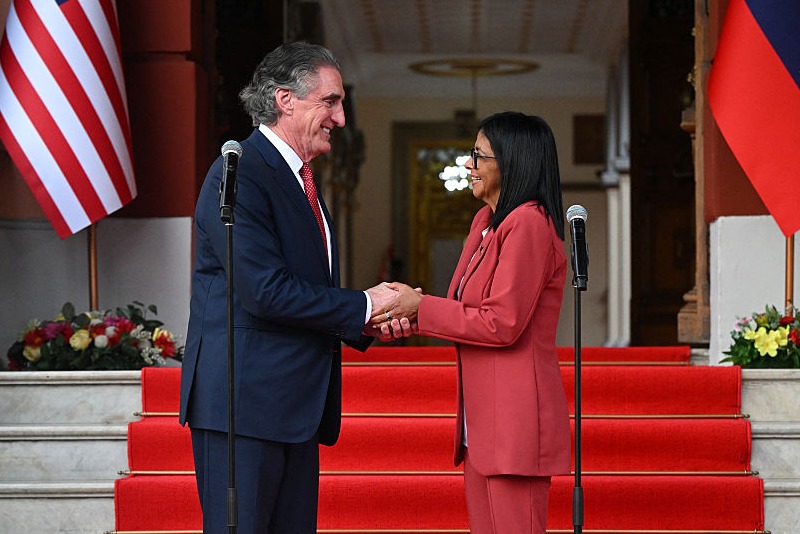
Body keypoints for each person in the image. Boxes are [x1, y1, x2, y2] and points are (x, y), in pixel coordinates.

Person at [179, 42, 396, 533]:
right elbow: (265, 291)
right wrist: (364, 305)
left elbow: (303, 286)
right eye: (331, 102)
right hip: (244, 406)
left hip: (293, 406)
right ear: (285, 99)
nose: (341, 119)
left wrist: (370, 320)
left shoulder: (301, 180)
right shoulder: (237, 175)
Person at [376, 112, 572, 533]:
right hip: (483, 424)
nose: (469, 165)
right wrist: (400, 315)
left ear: (513, 162)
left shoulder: (530, 224)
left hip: (515, 423)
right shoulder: (485, 222)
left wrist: (419, 306)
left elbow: (500, 323)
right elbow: (460, 311)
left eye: (479, 156)